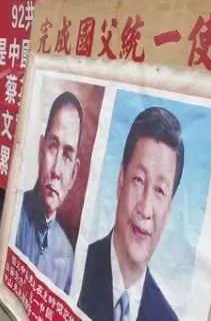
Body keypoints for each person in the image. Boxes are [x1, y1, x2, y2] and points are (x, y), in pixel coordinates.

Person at [77, 106, 183, 321]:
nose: (145, 208)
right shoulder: (76, 265)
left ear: (169, 209)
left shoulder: (166, 318)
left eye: (160, 191)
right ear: (121, 180)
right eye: (139, 180)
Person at [14, 91, 83, 294]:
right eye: (53, 147)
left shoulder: (67, 256)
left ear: (74, 174)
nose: (56, 171)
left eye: (68, 156)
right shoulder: (16, 215)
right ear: (40, 149)